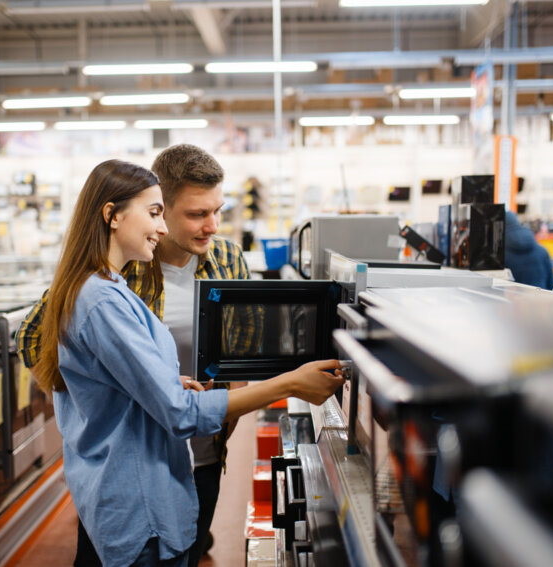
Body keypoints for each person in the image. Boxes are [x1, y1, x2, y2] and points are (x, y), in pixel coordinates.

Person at [28, 159, 343, 567]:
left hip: (191, 456)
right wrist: (289, 384)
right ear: (113, 215)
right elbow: (171, 409)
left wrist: (154, 383)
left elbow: (238, 350)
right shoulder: (102, 296)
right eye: (162, 213)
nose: (211, 225)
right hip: (133, 481)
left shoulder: (127, 282)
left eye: (217, 212)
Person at [17, 144, 261, 566]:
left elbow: (244, 338)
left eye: (217, 210)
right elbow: (33, 342)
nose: (213, 226)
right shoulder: (116, 270)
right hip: (130, 470)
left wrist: (231, 393)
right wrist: (108, 394)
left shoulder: (226, 258)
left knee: (185, 547)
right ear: (160, 209)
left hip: (202, 453)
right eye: (196, 214)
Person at [504, 211, 553, 290]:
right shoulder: (542, 251)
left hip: (515, 300)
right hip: (541, 299)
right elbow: (552, 285)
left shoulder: (501, 255)